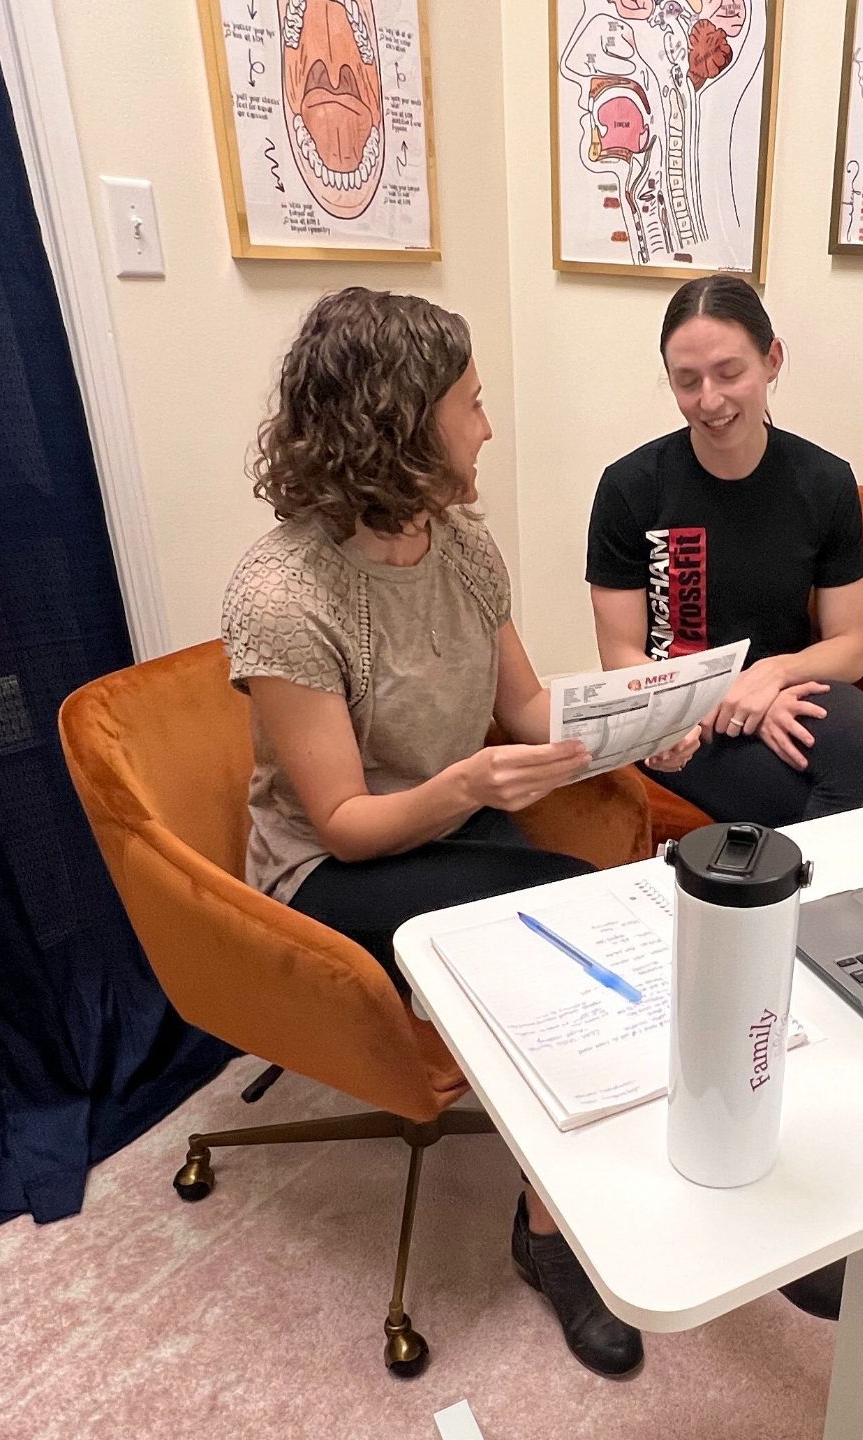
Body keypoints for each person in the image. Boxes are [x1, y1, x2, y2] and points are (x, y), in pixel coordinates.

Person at [221, 288, 697, 1380]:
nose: (488, 426)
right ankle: (546, 1233)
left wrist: (644, 719)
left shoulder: (463, 547)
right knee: (553, 937)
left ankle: (604, 1174)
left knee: (605, 913)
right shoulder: (284, 596)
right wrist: (472, 781)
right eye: (471, 404)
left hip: (444, 820)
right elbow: (345, 826)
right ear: (398, 425)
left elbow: (527, 710)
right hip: (328, 869)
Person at [585, 275, 863, 829]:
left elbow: (851, 648)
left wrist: (770, 677)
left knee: (859, 753)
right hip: (677, 706)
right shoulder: (631, 488)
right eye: (687, 381)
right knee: (795, 799)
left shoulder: (824, 482)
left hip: (789, 686)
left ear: (772, 360)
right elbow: (621, 657)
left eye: (730, 373)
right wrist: (729, 695)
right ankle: (818, 884)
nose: (710, 400)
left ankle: (817, 883)